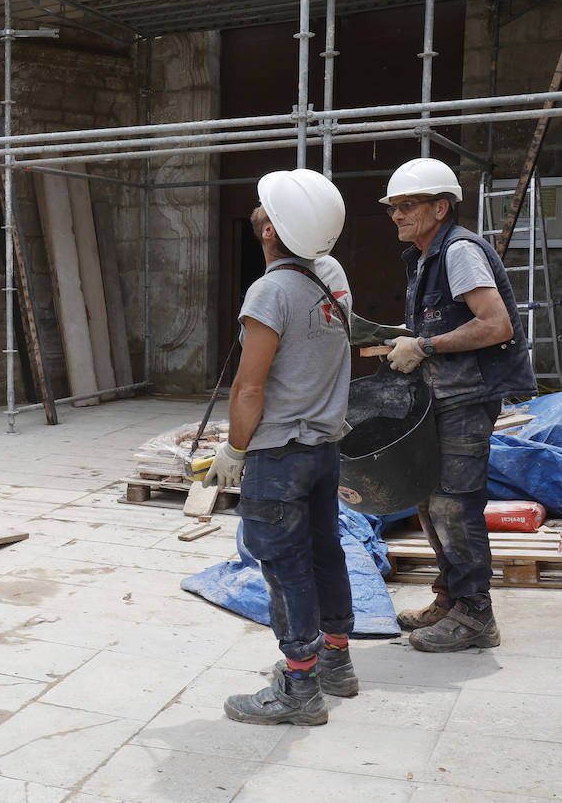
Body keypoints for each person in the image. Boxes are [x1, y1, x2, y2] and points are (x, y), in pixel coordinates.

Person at [207, 168, 356, 726]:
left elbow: (249, 387)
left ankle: (299, 687)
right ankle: (337, 661)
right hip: (324, 448)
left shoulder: (270, 290)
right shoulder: (333, 276)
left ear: (271, 230)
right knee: (325, 553)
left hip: (280, 454)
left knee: (286, 567)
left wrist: (235, 452)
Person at [381, 157, 535, 652]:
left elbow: (496, 325)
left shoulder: (459, 251)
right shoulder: (426, 256)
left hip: (468, 397)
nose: (398, 215)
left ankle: (475, 614)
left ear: (440, 206)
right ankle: (449, 596)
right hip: (443, 396)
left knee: (455, 501)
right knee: (428, 498)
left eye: (408, 205)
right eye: (393, 208)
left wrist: (423, 347)